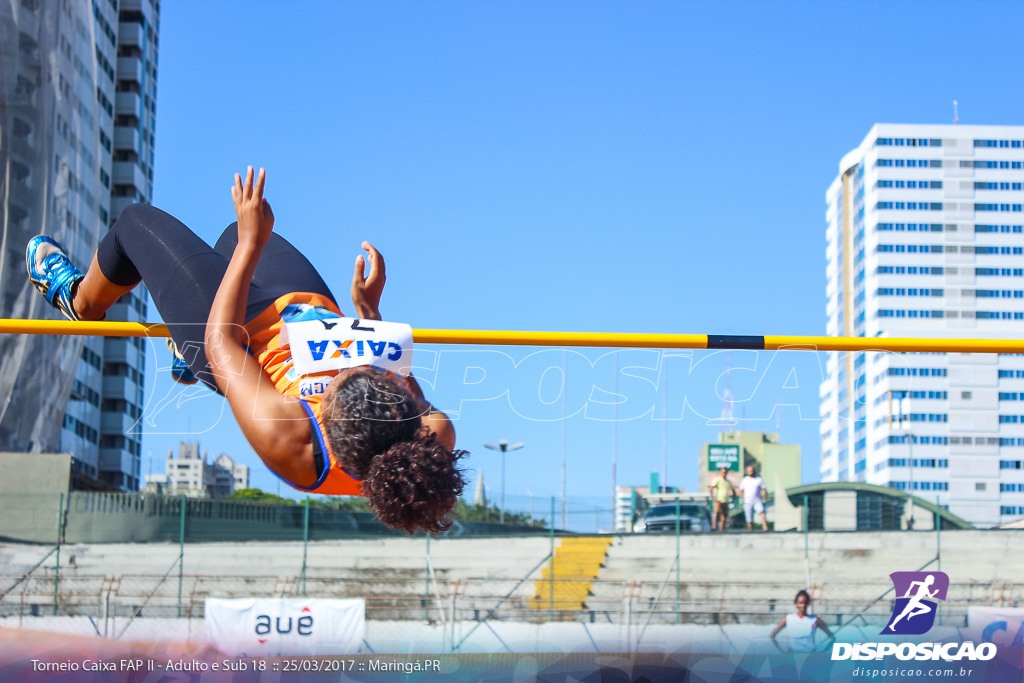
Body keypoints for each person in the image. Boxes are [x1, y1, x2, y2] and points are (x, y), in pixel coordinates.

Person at [26, 167, 466, 533]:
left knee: (135, 224)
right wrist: (369, 312)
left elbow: (222, 342)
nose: (347, 370)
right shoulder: (433, 434)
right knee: (231, 233)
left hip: (237, 338)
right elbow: (384, 362)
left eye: (332, 386)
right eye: (364, 371)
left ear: (325, 420)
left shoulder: (292, 441)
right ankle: (193, 327)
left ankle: (78, 300)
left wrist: (252, 246)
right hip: (305, 312)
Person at [769, 589, 834, 653]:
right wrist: (782, 652)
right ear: (796, 603)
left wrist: (822, 652)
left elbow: (832, 638)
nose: (803, 605)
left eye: (805, 603)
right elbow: (772, 635)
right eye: (800, 603)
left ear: (808, 603)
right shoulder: (789, 618)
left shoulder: (814, 619)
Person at [739, 464, 768, 531]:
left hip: (757, 500)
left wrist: (764, 498)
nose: (751, 472)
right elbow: (741, 490)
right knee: (749, 519)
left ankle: (765, 527)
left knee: (761, 511)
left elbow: (764, 489)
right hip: (747, 502)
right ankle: (751, 530)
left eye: (751, 471)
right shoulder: (744, 480)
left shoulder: (758, 479)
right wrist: (744, 496)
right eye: (749, 471)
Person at [708, 466, 734, 532]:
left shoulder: (728, 482)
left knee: (724, 516)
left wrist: (733, 498)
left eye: (725, 472)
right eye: (722, 472)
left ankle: (721, 529)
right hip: (718, 499)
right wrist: (712, 496)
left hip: (726, 501)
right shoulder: (717, 480)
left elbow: (733, 491)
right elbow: (711, 487)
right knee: (716, 513)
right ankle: (714, 526)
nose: (724, 474)